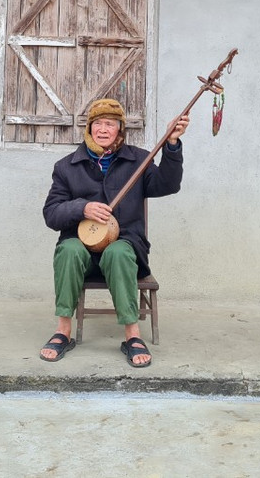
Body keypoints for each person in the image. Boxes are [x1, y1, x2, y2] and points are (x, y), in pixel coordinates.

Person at [39, 98, 189, 368]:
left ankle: (132, 336)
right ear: (89, 128)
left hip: (124, 248)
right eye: (98, 123)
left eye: (110, 124)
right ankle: (63, 331)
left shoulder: (139, 161)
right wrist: (82, 208)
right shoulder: (66, 167)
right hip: (82, 252)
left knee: (119, 251)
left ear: (120, 130)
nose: (103, 129)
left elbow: (169, 184)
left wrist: (172, 145)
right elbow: (51, 214)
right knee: (69, 250)